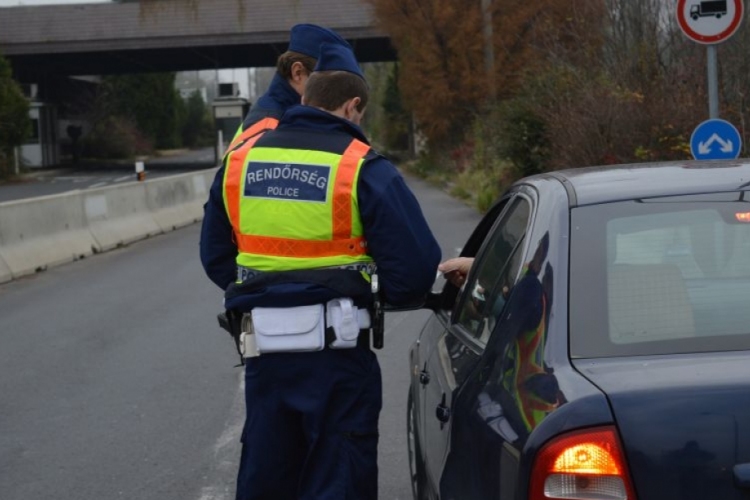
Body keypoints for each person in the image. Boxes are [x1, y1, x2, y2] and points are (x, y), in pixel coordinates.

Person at [199, 42, 442, 500]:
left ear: (305, 97)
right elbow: (413, 272)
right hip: (338, 361)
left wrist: (269, 288)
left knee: (269, 479)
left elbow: (216, 258)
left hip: (265, 361)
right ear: (352, 105)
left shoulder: (240, 161)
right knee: (338, 479)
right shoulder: (361, 167)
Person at [224, 23, 352, 153]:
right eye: (328, 86)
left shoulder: (281, 120)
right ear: (297, 72)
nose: (333, 97)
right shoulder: (269, 130)